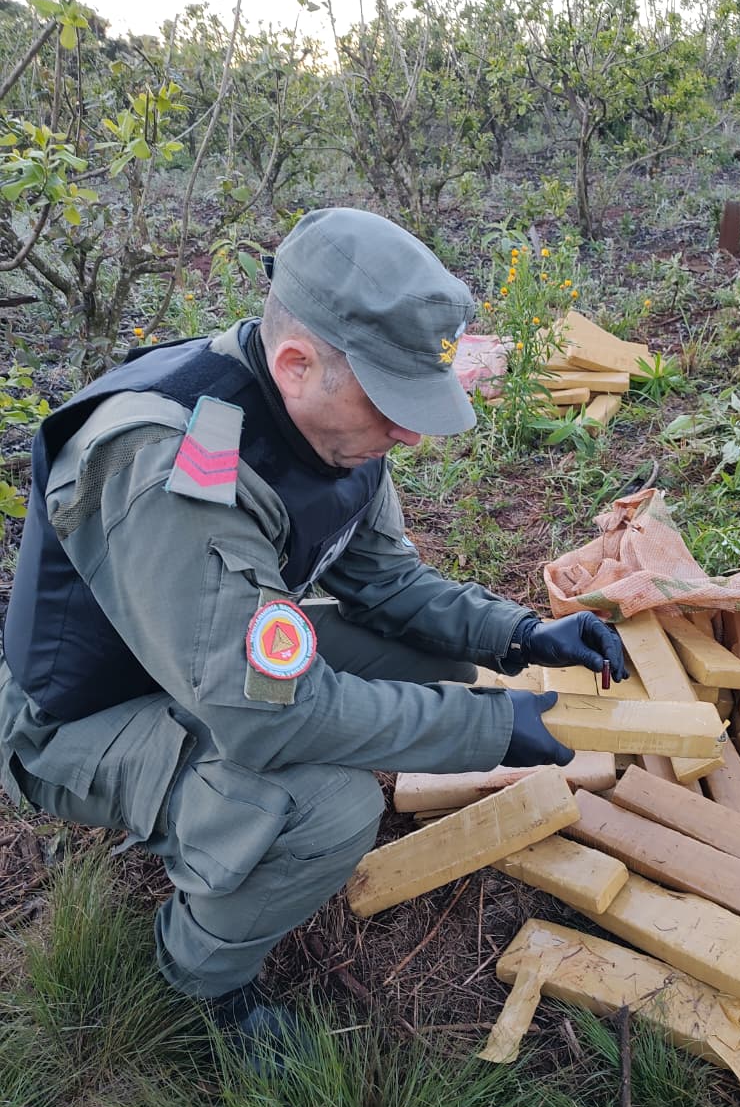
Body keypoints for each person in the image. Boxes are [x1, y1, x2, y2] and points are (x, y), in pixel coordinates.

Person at [0, 207, 625, 1042]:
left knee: (436, 665)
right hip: (79, 716)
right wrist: (489, 731)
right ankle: (200, 978)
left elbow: (386, 579)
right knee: (326, 807)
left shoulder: (333, 428)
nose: (407, 431)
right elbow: (270, 716)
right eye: (390, 404)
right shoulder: (169, 465)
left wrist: (516, 636)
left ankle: (218, 829)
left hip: (203, 656)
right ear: (297, 364)